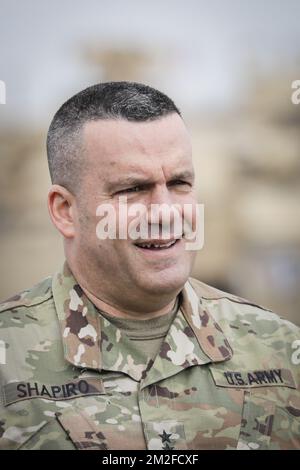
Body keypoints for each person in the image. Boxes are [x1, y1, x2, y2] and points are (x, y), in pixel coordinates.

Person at [0, 82, 299, 450]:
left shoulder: (282, 351)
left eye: (179, 183)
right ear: (66, 211)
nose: (165, 212)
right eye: (132, 189)